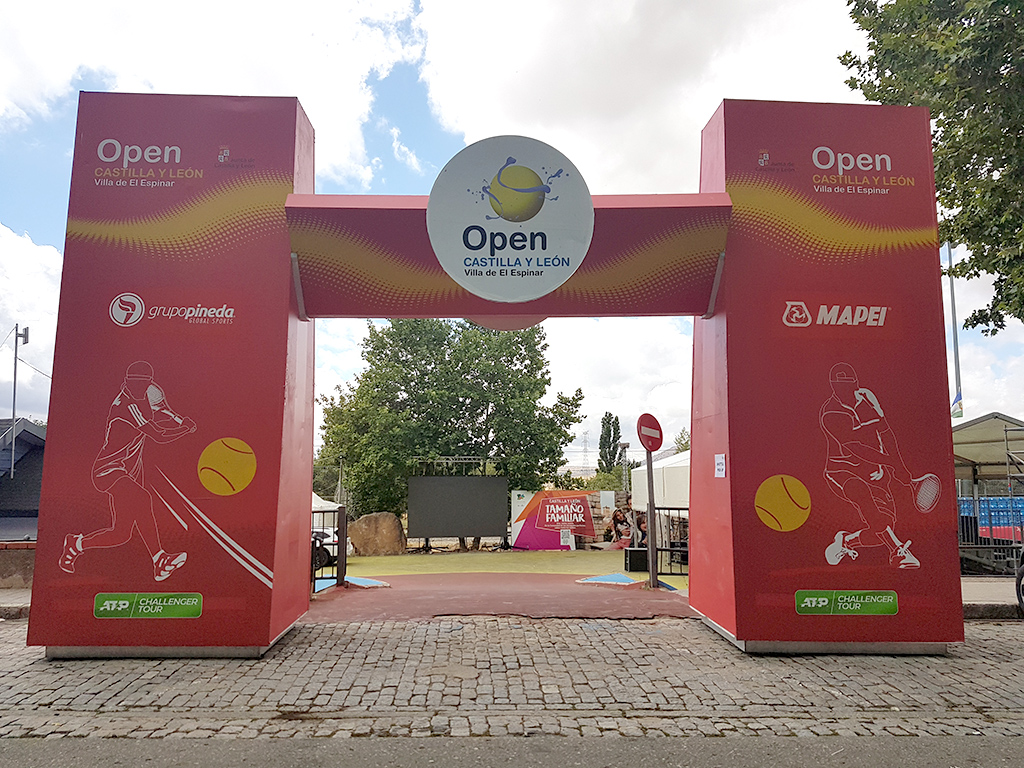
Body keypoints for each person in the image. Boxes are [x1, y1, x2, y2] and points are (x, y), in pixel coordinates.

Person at [59, 361, 196, 581]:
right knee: (142, 497)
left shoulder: (144, 401)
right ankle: (159, 560)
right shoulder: (127, 405)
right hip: (108, 469)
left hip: (125, 472)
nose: (138, 387)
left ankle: (76, 543)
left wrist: (177, 424)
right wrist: (183, 428)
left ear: (149, 383)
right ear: (127, 381)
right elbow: (158, 435)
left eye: (143, 383)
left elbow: (153, 417)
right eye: (133, 382)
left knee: (121, 534)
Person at [819, 362, 920, 569]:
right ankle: (898, 551)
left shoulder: (867, 398)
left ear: (855, 383)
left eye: (848, 384)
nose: (844, 389)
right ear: (832, 386)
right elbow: (855, 447)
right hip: (841, 470)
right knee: (860, 491)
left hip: (874, 472)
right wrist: (892, 463)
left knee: (881, 528)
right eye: (839, 385)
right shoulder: (831, 412)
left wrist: (899, 466)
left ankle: (846, 541)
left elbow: (885, 432)